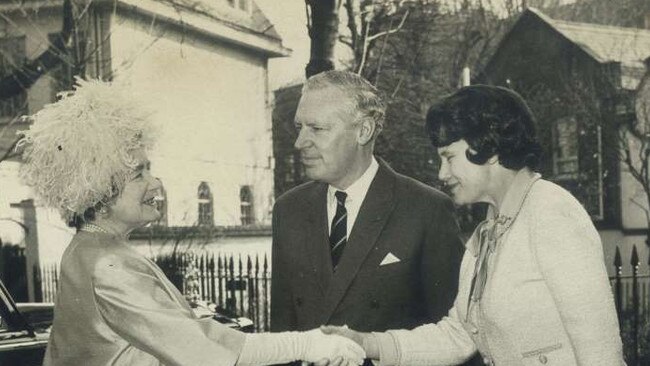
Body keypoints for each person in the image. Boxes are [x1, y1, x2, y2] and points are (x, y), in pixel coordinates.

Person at [18, 79, 365, 366]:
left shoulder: (88, 249)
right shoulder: (108, 264)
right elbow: (207, 350)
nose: (154, 183)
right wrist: (308, 344)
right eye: (139, 174)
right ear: (99, 193)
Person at [322, 85, 626, 366]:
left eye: (449, 157)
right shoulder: (488, 231)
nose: (442, 174)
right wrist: (366, 343)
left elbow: (600, 350)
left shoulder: (551, 212)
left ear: (489, 148)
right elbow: (460, 335)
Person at [271, 71, 464, 345]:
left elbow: (454, 338)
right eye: (299, 127)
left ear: (364, 131)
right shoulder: (288, 210)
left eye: (317, 128)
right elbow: (282, 333)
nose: (299, 142)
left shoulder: (426, 210)